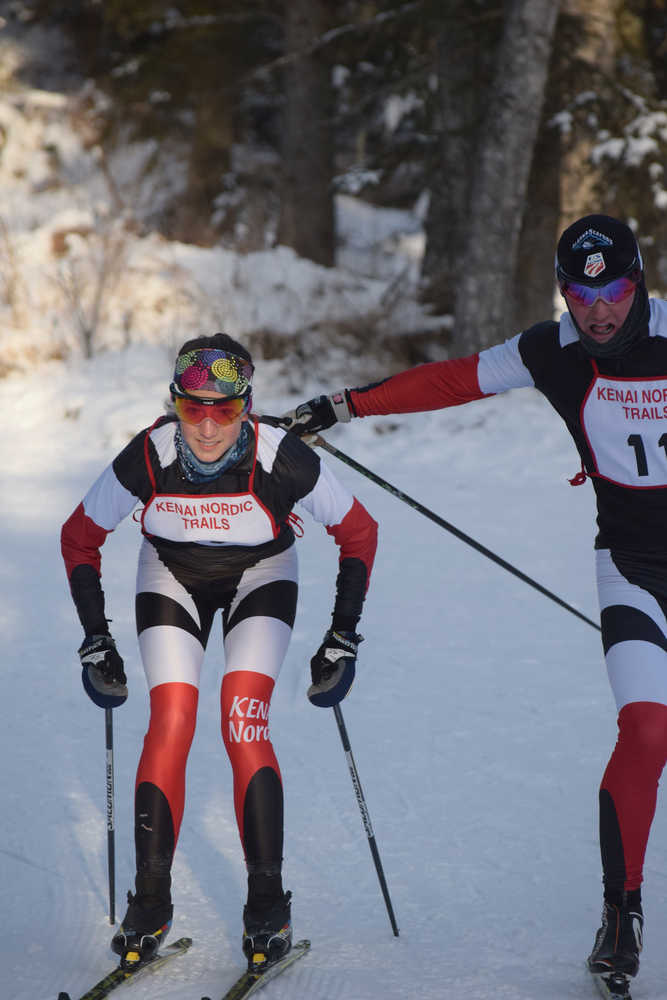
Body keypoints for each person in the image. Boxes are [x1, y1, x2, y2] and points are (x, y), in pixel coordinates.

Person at [279, 214, 667, 987]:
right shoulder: (549, 350)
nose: (598, 310)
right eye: (580, 294)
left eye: (614, 290)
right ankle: (620, 914)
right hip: (629, 567)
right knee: (647, 733)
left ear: (638, 285)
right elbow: (452, 379)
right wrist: (347, 404)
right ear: (562, 292)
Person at [61, 333, 378, 974]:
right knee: (171, 718)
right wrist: (96, 637)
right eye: (193, 408)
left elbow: (359, 532)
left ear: (248, 406)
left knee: (242, 714)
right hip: (171, 576)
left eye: (226, 410)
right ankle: (150, 898)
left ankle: (268, 899)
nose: (208, 426)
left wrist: (342, 635)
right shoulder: (148, 456)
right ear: (175, 403)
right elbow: (79, 538)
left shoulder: (280, 457)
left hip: (261, 574)